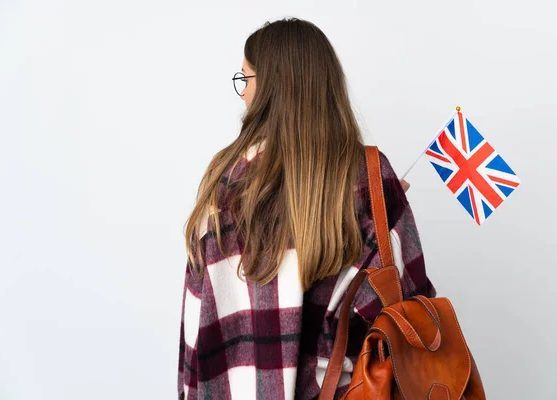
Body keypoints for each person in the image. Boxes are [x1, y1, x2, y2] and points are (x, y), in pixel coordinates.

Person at [177, 18, 436, 400]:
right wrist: (384, 211)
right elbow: (414, 314)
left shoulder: (226, 181)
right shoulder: (369, 177)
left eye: (246, 80)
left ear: (269, 90)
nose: (243, 94)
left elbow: (197, 328)